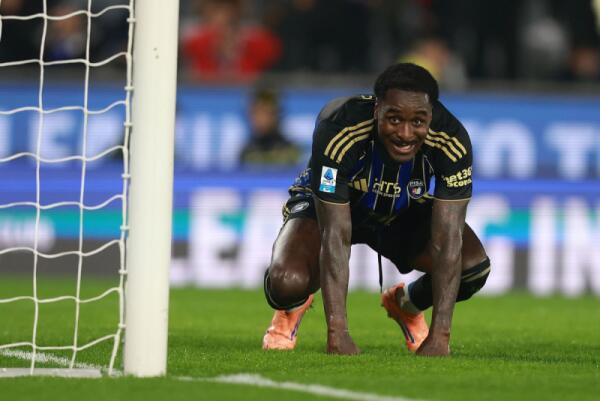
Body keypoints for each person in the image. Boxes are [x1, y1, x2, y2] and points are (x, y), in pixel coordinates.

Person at [261, 63, 490, 356]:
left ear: (431, 115)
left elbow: (448, 240)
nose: (405, 133)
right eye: (394, 119)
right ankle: (292, 306)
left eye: (418, 122)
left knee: (473, 268)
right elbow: (335, 235)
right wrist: (338, 334)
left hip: (399, 214)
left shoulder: (451, 140)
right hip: (331, 211)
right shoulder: (339, 127)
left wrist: (440, 337)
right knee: (286, 282)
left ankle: (406, 305)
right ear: (377, 109)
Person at [239, 88, 302, 167]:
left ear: (276, 114)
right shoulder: (246, 153)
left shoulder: (291, 152)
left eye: (265, 112)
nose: (260, 119)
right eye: (255, 113)